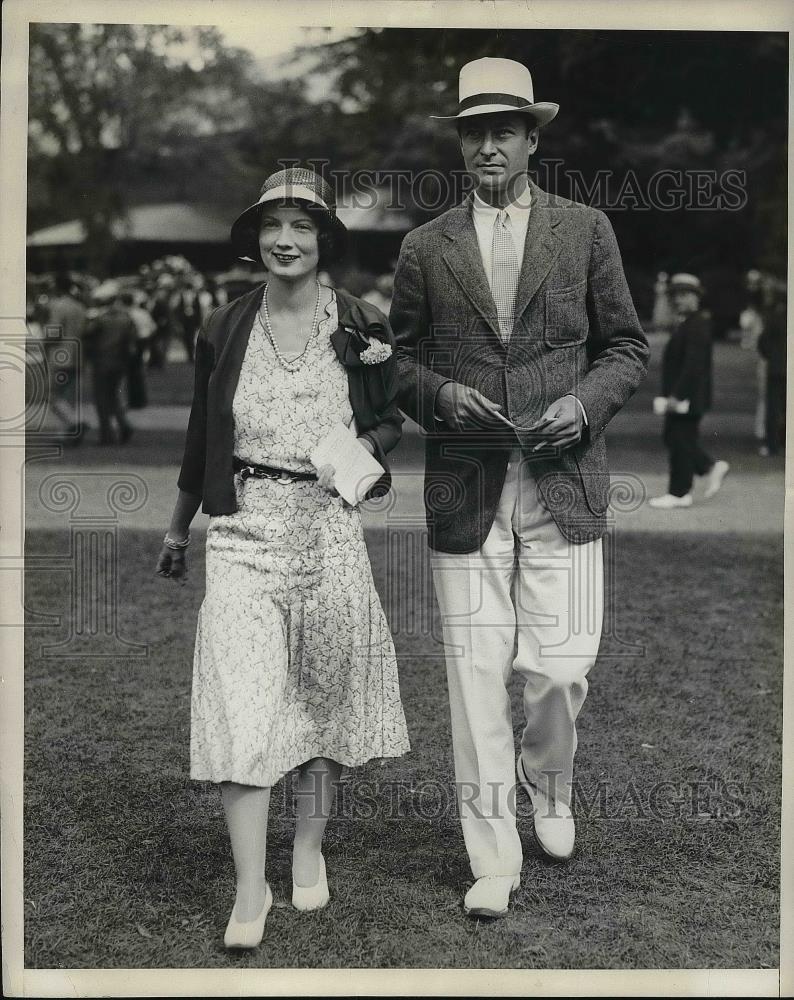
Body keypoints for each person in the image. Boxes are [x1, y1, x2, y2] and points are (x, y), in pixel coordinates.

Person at [390, 57, 649, 918]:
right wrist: (437, 394)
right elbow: (399, 360)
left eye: (504, 129)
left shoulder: (585, 230)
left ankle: (551, 781)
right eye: (474, 131)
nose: (488, 144)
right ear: (460, 144)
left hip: (564, 480)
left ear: (533, 139)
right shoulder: (426, 247)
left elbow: (626, 348)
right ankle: (492, 857)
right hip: (467, 488)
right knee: (473, 675)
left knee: (558, 669)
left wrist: (584, 403)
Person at [155, 167, 410, 950]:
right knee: (242, 699)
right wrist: (177, 528)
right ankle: (247, 888)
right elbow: (203, 436)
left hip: (330, 530)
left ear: (323, 239)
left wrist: (360, 446)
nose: (286, 239)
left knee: (323, 697)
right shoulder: (225, 325)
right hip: (242, 532)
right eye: (273, 226)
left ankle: (305, 850)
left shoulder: (362, 323)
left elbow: (390, 419)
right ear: (255, 240)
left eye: (302, 225)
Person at [649, 273, 729, 508]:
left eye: (684, 295)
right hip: (685, 395)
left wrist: (677, 395)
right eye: (675, 295)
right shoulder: (689, 323)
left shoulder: (697, 324)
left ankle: (680, 491)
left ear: (696, 298)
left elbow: (693, 365)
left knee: (679, 438)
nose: (678, 300)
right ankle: (703, 471)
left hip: (687, 396)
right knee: (676, 437)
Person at [85, 288, 137, 445]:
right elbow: (132, 343)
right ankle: (124, 424)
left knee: (102, 399)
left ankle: (106, 434)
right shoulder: (127, 319)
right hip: (119, 362)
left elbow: (86, 334)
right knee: (114, 396)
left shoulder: (101, 319)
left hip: (102, 361)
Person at [44, 272, 89, 444]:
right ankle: (66, 433)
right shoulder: (79, 307)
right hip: (78, 354)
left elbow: (54, 332)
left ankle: (74, 423)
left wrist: (43, 343)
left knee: (53, 396)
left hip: (60, 354)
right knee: (68, 396)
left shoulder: (58, 306)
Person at [758, 282, 786, 457]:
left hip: (776, 368)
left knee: (773, 408)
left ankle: (772, 444)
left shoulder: (774, 318)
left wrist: (772, 357)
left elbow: (763, 343)